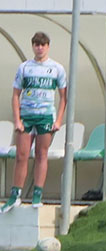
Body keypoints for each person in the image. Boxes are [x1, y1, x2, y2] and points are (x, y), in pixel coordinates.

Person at [1, 32, 67, 213]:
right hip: (26, 116)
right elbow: (15, 95)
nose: (39, 48)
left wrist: (58, 120)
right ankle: (15, 195)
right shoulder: (24, 67)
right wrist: (17, 119)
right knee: (21, 155)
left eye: (43, 44)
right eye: (37, 44)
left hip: (45, 117)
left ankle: (37, 193)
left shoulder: (57, 68)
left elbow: (63, 97)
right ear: (32, 46)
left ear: (48, 46)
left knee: (41, 154)